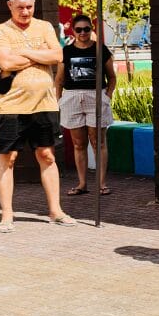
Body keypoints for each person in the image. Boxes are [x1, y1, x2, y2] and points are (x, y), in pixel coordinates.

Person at [0, 0, 75, 233]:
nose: (25, 12)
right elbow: (4, 61)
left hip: (45, 104)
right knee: (9, 158)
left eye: (29, 7)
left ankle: (55, 210)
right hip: (11, 106)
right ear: (10, 5)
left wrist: (24, 54)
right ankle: (7, 214)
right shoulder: (0, 31)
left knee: (47, 155)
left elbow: (58, 56)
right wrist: (38, 53)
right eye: (20, 8)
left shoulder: (45, 26)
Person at [55, 14, 116, 196]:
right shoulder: (66, 51)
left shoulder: (100, 49)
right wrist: (59, 100)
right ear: (73, 31)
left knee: (98, 141)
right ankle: (82, 183)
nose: (83, 33)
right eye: (79, 29)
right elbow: (59, 79)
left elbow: (112, 76)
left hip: (95, 96)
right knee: (78, 143)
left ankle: (102, 183)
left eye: (86, 29)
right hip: (72, 97)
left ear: (92, 29)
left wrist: (107, 96)